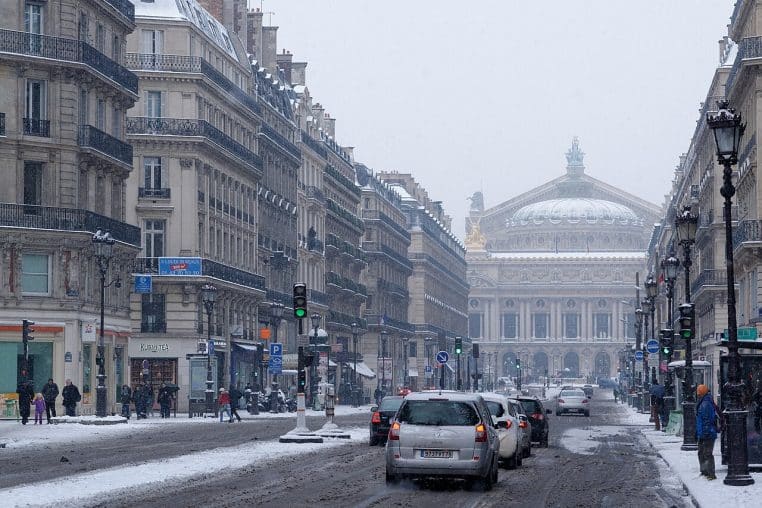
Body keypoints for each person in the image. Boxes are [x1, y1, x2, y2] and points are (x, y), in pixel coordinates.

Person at [696, 384, 719, 480]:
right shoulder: (704, 402)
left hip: (707, 433)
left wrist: (705, 433)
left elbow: (706, 419)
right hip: (704, 432)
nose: (697, 395)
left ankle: (710, 474)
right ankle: (705, 471)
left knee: (707, 453)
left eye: (698, 393)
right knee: (702, 452)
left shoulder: (705, 404)